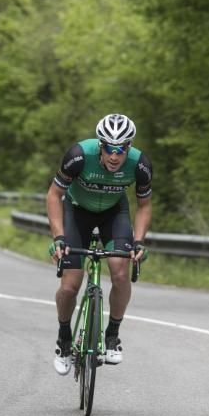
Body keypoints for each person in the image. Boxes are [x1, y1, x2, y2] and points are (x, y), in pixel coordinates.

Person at [46, 113, 152, 375]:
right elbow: (54, 194)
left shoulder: (140, 165)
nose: (114, 156)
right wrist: (58, 237)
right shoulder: (79, 156)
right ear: (100, 146)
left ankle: (113, 334)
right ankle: (64, 339)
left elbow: (144, 205)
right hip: (77, 210)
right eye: (109, 148)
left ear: (129, 147)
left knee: (119, 271)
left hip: (114, 214)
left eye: (121, 149)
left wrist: (138, 242)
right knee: (70, 285)